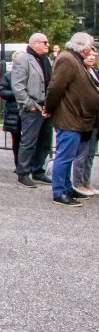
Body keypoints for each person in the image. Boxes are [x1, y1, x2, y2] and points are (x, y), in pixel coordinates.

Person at [45, 32, 99, 207]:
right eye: (90, 45)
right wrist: (49, 107)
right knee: (64, 156)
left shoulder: (75, 60)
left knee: (69, 156)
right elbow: (56, 87)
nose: (92, 49)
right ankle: (59, 192)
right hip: (69, 117)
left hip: (78, 117)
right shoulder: (67, 59)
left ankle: (67, 187)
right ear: (84, 47)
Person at [11, 33, 54, 188]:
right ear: (35, 43)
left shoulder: (46, 60)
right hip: (32, 108)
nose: (47, 45)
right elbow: (18, 86)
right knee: (29, 142)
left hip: (47, 107)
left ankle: (38, 171)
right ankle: (23, 173)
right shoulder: (23, 60)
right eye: (45, 42)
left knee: (45, 142)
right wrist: (31, 105)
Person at [73, 50, 99, 196]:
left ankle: (86, 181)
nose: (91, 57)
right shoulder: (80, 72)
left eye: (93, 55)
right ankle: (78, 182)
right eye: (88, 54)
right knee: (82, 152)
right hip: (84, 118)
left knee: (90, 152)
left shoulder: (95, 71)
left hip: (96, 118)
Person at [0, 50, 25, 165]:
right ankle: (18, 164)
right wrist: (16, 94)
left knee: (29, 140)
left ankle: (28, 164)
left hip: (27, 111)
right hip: (14, 112)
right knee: (16, 140)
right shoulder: (8, 76)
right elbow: (2, 91)